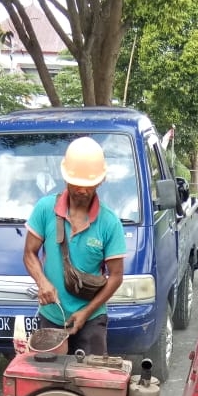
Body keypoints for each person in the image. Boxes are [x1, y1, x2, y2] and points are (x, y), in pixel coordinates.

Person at [23, 137, 126, 356]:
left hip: (92, 317)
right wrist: (42, 282)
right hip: (51, 316)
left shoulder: (109, 223)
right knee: (51, 384)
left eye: (87, 185)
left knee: (92, 384)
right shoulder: (45, 209)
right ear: (65, 178)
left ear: (100, 181)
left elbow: (116, 276)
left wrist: (86, 312)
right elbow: (29, 254)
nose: (81, 190)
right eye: (75, 183)